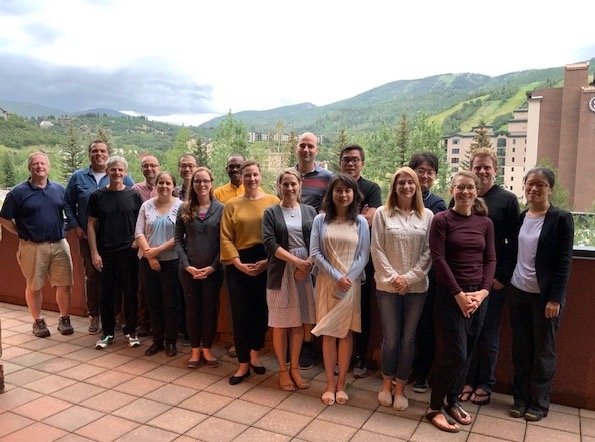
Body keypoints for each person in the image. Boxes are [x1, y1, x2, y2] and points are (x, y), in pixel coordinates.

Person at [425, 171, 496, 433]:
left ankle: (452, 401)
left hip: (478, 297)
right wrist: (459, 295)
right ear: (452, 189)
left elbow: (490, 260)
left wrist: (483, 293)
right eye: (460, 187)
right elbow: (439, 259)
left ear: (477, 191)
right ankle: (434, 407)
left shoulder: (485, 223)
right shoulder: (441, 220)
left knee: (469, 352)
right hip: (449, 296)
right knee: (455, 353)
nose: (465, 192)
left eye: (470, 188)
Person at [509, 167, 573, 422]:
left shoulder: (561, 218)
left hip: (545, 297)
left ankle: (539, 403)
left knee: (544, 351)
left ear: (551, 189)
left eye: (541, 184)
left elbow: (564, 261)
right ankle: (520, 399)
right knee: (521, 349)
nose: (534, 189)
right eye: (530, 184)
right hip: (518, 291)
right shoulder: (522, 217)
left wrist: (555, 298)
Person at [460, 148, 520, 405]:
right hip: (467, 279)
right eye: (477, 167)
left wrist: (502, 277)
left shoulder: (506, 200)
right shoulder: (465, 197)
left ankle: (485, 382)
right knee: (468, 333)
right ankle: (467, 380)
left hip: (492, 281)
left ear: (495, 169)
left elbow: (514, 243)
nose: (482, 171)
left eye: (487, 167)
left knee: (489, 334)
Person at [372, 167, 433, 410]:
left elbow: (429, 253)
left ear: (417, 187)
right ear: (394, 187)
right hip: (387, 286)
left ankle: (400, 387)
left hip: (417, 288)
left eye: (411, 182)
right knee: (391, 339)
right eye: (401, 182)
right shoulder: (382, 213)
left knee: (408, 339)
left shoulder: (427, 215)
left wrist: (408, 278)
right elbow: (376, 249)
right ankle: (386, 384)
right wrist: (394, 277)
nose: (406, 186)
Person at [310, 174, 370, 406]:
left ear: (354, 194)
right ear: (330, 193)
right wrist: (337, 277)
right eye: (338, 190)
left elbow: (364, 255)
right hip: (327, 281)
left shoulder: (361, 222)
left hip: (351, 284)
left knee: (346, 333)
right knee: (328, 332)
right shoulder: (320, 220)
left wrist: (348, 278)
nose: (343, 194)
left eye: (347, 190)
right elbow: (315, 253)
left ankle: (342, 384)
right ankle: (329, 384)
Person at [0, 152, 74, 337]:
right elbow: (4, 218)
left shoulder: (59, 189)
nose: (39, 166)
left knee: (64, 284)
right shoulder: (18, 192)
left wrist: (64, 229)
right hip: (32, 246)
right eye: (35, 164)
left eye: (42, 163)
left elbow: (69, 213)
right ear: (29, 168)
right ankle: (38, 321)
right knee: (34, 285)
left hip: (59, 244)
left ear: (48, 166)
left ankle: (64, 318)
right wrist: (20, 232)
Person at [64, 140, 134, 334]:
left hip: (118, 239)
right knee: (93, 276)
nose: (98, 154)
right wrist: (76, 227)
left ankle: (118, 316)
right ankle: (94, 316)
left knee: (118, 277)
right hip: (89, 237)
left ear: (108, 153)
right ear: (89, 154)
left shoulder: (121, 176)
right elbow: (68, 204)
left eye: (102, 151)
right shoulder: (78, 177)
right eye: (94, 151)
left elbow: (132, 201)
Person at [220, 160, 279, 385]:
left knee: (261, 312)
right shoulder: (231, 205)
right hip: (238, 263)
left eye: (255, 175)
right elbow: (225, 237)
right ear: (241, 178)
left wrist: (267, 261)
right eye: (247, 176)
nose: (251, 179)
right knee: (240, 313)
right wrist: (237, 263)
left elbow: (278, 235)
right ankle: (243, 363)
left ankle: (255, 353)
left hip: (266, 260)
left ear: (260, 176)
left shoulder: (273, 201)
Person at [262, 169, 317, 391]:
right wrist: (296, 262)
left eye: (293, 183)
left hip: (305, 272)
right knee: (280, 323)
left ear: (300, 185)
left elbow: (317, 241)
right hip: (281, 271)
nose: (290, 188)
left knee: (298, 322)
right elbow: (270, 243)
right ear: (279, 186)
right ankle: (283, 371)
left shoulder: (310, 211)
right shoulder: (271, 212)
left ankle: (295, 368)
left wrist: (308, 265)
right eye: (285, 184)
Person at [87, 156, 142, 350]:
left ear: (125, 172)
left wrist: (137, 242)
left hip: (129, 253)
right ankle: (108, 332)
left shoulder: (134, 196)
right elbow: (91, 225)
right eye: (113, 170)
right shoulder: (97, 196)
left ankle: (131, 331)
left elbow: (141, 223)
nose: (117, 173)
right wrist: (94, 252)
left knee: (130, 293)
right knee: (106, 295)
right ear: (107, 172)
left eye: (120, 170)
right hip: (106, 252)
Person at [339, 143, 381, 378]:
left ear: (362, 163)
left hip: (362, 263)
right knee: (336, 308)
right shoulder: (334, 186)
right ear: (340, 163)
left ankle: (360, 357)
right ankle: (337, 355)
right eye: (346, 159)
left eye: (355, 159)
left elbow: (371, 219)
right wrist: (358, 215)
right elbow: (325, 220)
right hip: (336, 261)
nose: (351, 163)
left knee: (362, 311)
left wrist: (344, 216)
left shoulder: (372, 188)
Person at [175, 167, 225, 368]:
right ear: (192, 185)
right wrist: (187, 266)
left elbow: (225, 242)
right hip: (189, 270)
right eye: (197, 181)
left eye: (205, 181)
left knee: (210, 310)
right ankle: (195, 350)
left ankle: (207, 349)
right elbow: (178, 240)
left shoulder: (221, 209)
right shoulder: (184, 208)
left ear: (212, 182)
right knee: (193, 310)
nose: (201, 185)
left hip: (213, 271)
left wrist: (213, 266)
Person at [295, 132, 333, 370]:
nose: (306, 149)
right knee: (294, 298)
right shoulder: (288, 174)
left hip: (316, 245)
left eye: (310, 146)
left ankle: (309, 346)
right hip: (291, 244)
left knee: (312, 299)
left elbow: (329, 210)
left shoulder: (328, 177)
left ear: (317, 150)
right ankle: (296, 345)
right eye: (302, 145)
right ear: (296, 148)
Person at [409, 152, 447, 393]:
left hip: (426, 274)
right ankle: (402, 370)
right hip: (399, 272)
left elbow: (435, 244)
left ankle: (421, 373)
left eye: (429, 171)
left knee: (424, 325)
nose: (424, 175)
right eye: (420, 170)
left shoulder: (438, 204)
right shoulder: (399, 197)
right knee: (403, 326)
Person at [135, 171, 182, 357]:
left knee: (172, 303)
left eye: (168, 183)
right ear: (155, 185)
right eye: (160, 183)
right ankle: (157, 341)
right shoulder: (146, 206)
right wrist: (150, 255)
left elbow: (180, 236)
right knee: (153, 302)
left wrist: (157, 251)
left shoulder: (181, 207)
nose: (164, 186)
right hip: (148, 263)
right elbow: (138, 233)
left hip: (171, 262)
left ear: (173, 186)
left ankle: (171, 341)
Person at [133, 154, 161, 338]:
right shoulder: (135, 190)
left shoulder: (167, 189)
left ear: (159, 167)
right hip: (142, 246)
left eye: (153, 165)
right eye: (146, 165)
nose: (149, 169)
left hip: (163, 246)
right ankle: (144, 323)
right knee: (144, 288)